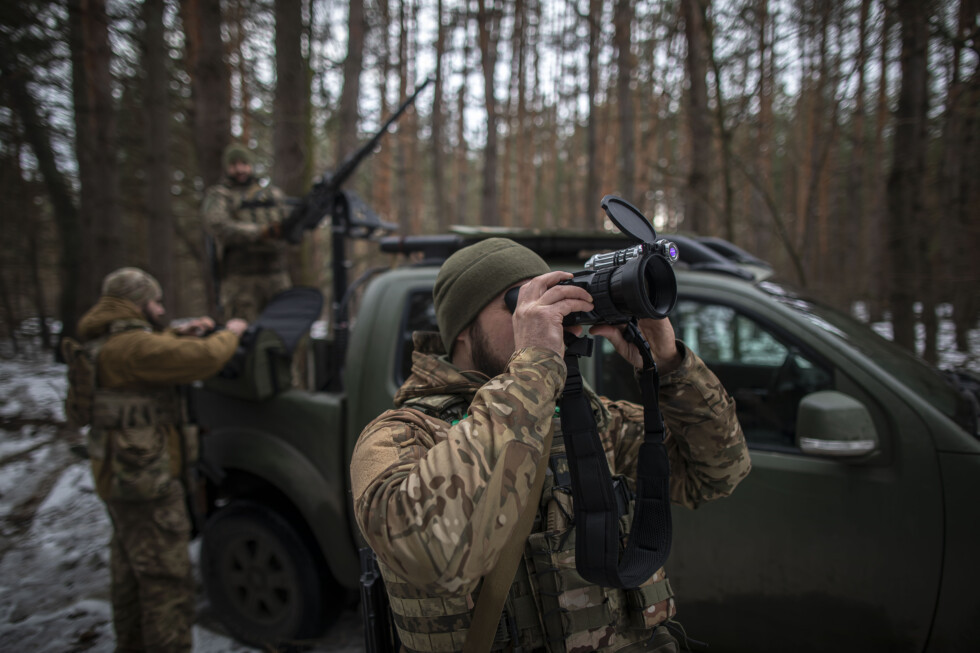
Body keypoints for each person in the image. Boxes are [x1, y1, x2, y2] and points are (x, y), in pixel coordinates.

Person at [350, 238, 752, 652]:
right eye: (520, 303)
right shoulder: (400, 435)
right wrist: (535, 366)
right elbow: (428, 553)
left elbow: (716, 473)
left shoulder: (589, 420)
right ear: (464, 330)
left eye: (552, 297)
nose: (547, 315)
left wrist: (669, 364)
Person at [72, 267, 248, 652]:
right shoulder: (133, 348)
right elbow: (202, 359)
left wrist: (177, 333)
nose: (161, 308)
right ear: (136, 303)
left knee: (131, 576)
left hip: (120, 481)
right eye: (155, 301)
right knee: (168, 585)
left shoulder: (108, 344)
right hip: (145, 485)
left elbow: (151, 351)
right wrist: (230, 332)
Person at [202, 142, 291, 321]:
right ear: (227, 167)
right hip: (240, 280)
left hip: (276, 277)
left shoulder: (272, 194)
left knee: (284, 332)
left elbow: (290, 224)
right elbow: (218, 225)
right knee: (244, 334)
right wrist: (260, 232)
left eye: (244, 163)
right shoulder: (220, 195)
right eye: (234, 164)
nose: (240, 169)